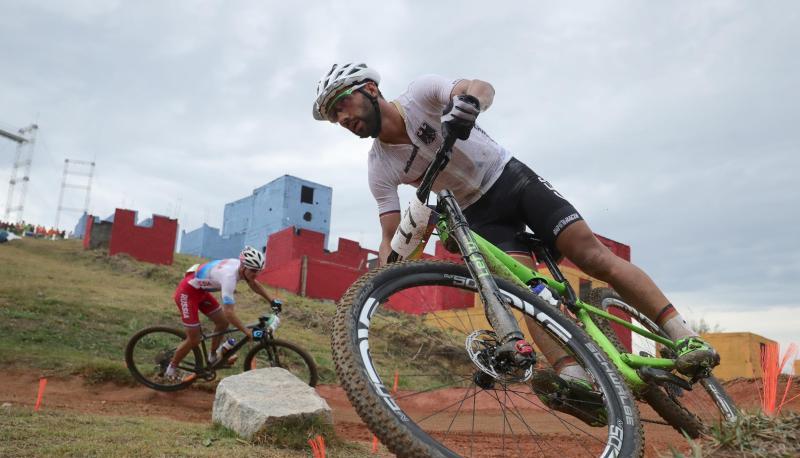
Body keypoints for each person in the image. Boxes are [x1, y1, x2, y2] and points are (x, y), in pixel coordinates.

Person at [312, 62, 720, 423]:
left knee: (592, 256)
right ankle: (574, 379)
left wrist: (468, 103)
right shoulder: (379, 166)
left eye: (340, 105)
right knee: (527, 296)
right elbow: (390, 236)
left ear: (368, 89)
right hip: (479, 217)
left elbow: (479, 85)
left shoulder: (420, 93)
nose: (340, 118)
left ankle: (685, 335)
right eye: (333, 116)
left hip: (511, 179)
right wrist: (374, 285)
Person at [165, 246, 282, 382]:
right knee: (194, 338)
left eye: (259, 271)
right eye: (254, 271)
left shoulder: (241, 267)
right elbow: (229, 312)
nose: (256, 275)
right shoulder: (229, 278)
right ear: (244, 267)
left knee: (222, 323)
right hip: (187, 293)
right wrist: (247, 333)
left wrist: (271, 300)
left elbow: (253, 283)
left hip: (200, 291)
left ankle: (212, 356)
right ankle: (171, 368)